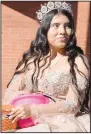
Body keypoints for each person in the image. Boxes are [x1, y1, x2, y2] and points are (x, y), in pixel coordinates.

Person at [3, 1, 90, 132]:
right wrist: (25, 96)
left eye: (68, 26)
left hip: (62, 122)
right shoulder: (30, 61)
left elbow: (73, 104)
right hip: (25, 119)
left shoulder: (78, 62)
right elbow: (8, 94)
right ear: (45, 29)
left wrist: (34, 109)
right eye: (56, 25)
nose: (63, 31)